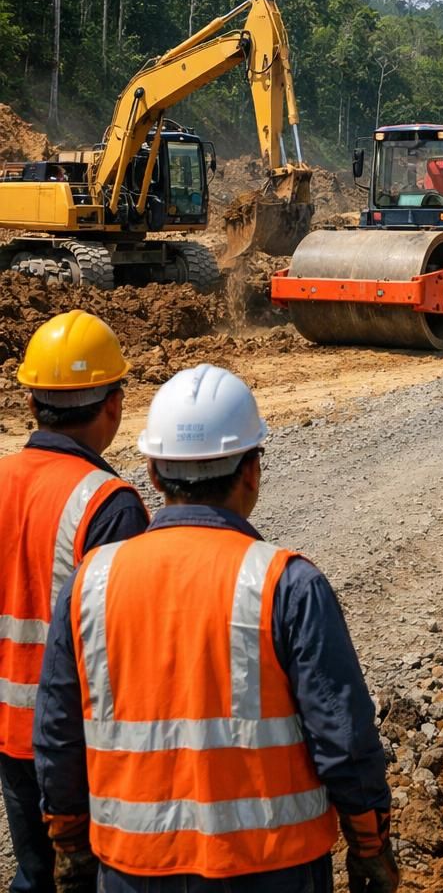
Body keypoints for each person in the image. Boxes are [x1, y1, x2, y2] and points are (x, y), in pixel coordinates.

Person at [33, 364, 398, 893]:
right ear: (251, 471)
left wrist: (67, 841)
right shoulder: (286, 583)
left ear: (155, 476)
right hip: (272, 866)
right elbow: (341, 734)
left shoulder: (91, 582)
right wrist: (369, 842)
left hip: (134, 865)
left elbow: (58, 730)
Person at [0, 311, 148, 893]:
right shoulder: (109, 504)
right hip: (78, 745)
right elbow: (126, 645)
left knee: (35, 875)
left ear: (32, 406)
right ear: (113, 406)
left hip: (11, 733)